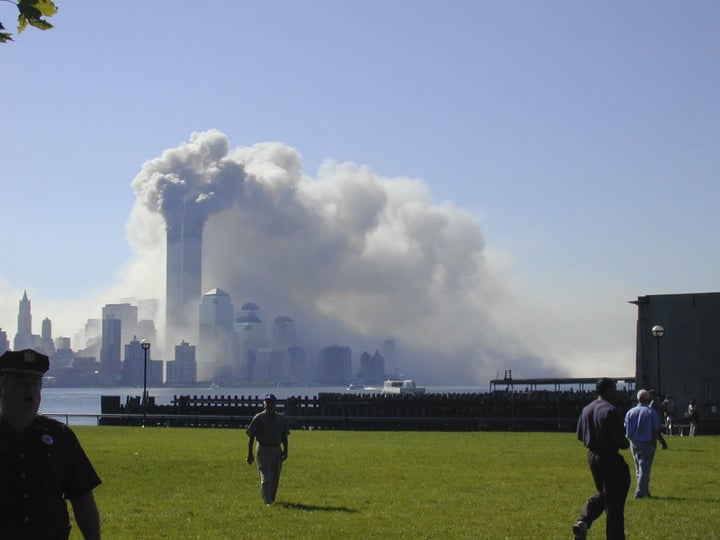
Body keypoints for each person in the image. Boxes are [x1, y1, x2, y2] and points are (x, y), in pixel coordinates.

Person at [0, 349, 101, 539]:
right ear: (2, 387)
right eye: (22, 383)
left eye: (35, 383)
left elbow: (82, 498)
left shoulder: (60, 437)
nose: (29, 390)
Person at [572, 378, 631, 540]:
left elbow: (580, 435)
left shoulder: (587, 409)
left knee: (607, 494)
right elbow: (620, 440)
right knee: (615, 504)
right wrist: (626, 442)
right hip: (610, 457)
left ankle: (584, 521)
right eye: (614, 388)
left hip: (592, 456)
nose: (616, 392)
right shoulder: (611, 410)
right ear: (607, 390)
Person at [246, 393, 289, 505]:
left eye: (272, 403)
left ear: (275, 405)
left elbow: (284, 436)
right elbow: (251, 437)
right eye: (267, 403)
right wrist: (250, 453)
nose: (270, 405)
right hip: (263, 449)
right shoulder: (258, 418)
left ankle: (272, 499)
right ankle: (267, 501)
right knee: (266, 476)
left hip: (276, 450)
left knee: (275, 477)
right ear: (263, 405)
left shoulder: (281, 419)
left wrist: (285, 450)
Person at [624, 389, 661, 499]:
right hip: (647, 442)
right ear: (648, 399)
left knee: (637, 468)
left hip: (634, 442)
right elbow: (655, 429)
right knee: (645, 469)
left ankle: (645, 490)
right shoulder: (651, 412)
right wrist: (654, 442)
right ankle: (640, 492)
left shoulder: (630, 412)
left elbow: (627, 429)